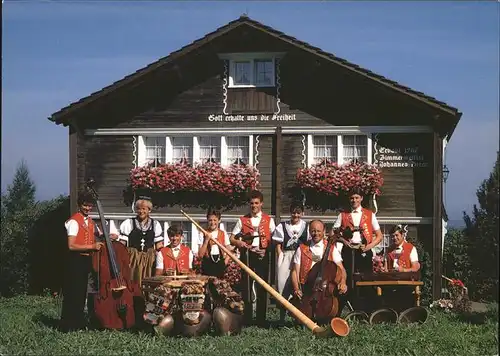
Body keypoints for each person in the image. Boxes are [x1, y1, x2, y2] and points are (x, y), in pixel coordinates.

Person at [60, 191, 104, 332]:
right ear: (80, 205)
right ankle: (68, 325)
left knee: (81, 292)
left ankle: (78, 322)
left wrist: (110, 236)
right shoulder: (74, 221)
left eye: (90, 206)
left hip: (86, 260)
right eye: (85, 205)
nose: (88, 208)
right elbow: (71, 245)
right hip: (75, 260)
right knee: (73, 292)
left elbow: (99, 234)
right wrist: (92, 246)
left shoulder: (90, 222)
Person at [230, 190, 276, 327]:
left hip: (262, 256)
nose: (254, 206)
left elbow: (274, 240)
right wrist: (240, 243)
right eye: (251, 203)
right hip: (248, 256)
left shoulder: (269, 220)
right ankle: (248, 319)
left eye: (256, 203)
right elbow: (232, 238)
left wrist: (266, 250)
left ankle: (261, 320)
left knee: (262, 287)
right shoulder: (242, 220)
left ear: (261, 204)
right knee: (247, 287)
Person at [118, 197, 165, 327]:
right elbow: (122, 244)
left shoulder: (155, 224)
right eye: (139, 208)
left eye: (144, 209)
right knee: (133, 284)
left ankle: (148, 317)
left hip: (149, 259)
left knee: (148, 286)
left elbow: (159, 245)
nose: (141, 211)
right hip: (133, 258)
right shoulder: (128, 223)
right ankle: (132, 316)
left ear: (149, 210)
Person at [290, 220, 347, 322]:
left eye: (318, 231)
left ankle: (333, 317)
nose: (316, 233)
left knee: (342, 293)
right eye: (313, 231)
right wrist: (296, 288)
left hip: (326, 288)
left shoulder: (331, 248)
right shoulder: (301, 249)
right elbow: (295, 271)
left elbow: (341, 269)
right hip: (307, 286)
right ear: (309, 231)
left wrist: (343, 282)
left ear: (324, 231)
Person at [333, 190, 382, 282]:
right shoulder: (342, 215)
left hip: (364, 250)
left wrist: (368, 247)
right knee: (348, 278)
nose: (354, 200)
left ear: (361, 198)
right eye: (352, 198)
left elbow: (379, 236)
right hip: (348, 250)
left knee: (366, 279)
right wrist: (344, 241)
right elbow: (333, 233)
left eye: (357, 198)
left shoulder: (369, 214)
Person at [272, 202, 309, 323]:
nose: (296, 215)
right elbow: (278, 244)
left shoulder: (306, 227)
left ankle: (298, 318)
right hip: (287, 256)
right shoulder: (283, 226)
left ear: (302, 213)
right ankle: (282, 317)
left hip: (300, 257)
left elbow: (309, 243)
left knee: (298, 284)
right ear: (290, 213)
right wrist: (281, 257)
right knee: (283, 285)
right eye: (294, 212)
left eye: (298, 213)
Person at [197, 209, 231, 278]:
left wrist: (225, 262)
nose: (212, 222)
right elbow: (200, 255)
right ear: (207, 220)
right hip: (207, 263)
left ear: (219, 220)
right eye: (210, 220)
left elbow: (229, 251)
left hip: (220, 263)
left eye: (215, 220)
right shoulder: (202, 233)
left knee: (219, 286)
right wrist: (206, 240)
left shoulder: (223, 233)